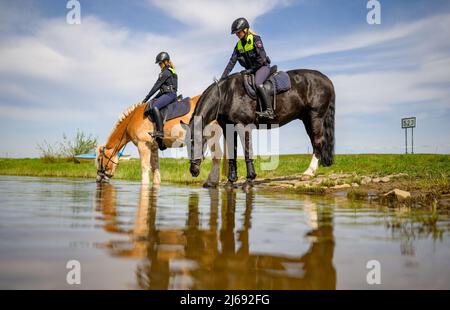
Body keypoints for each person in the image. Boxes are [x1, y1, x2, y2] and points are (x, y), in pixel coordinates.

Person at [221, 17, 274, 119]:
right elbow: (232, 62)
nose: (237, 35)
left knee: (258, 83)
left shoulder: (256, 39)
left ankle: (269, 110)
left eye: (238, 32)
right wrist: (223, 78)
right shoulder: (238, 45)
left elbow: (262, 59)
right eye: (236, 33)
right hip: (250, 71)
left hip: (262, 67)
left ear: (245, 30)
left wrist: (250, 70)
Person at [142, 52, 178, 150]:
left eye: (160, 63)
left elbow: (156, 86)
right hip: (168, 94)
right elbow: (162, 89)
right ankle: (160, 143)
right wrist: (153, 98)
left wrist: (146, 98)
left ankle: (160, 132)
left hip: (169, 95)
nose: (159, 65)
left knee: (154, 107)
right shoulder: (171, 70)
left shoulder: (165, 72)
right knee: (154, 103)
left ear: (165, 62)